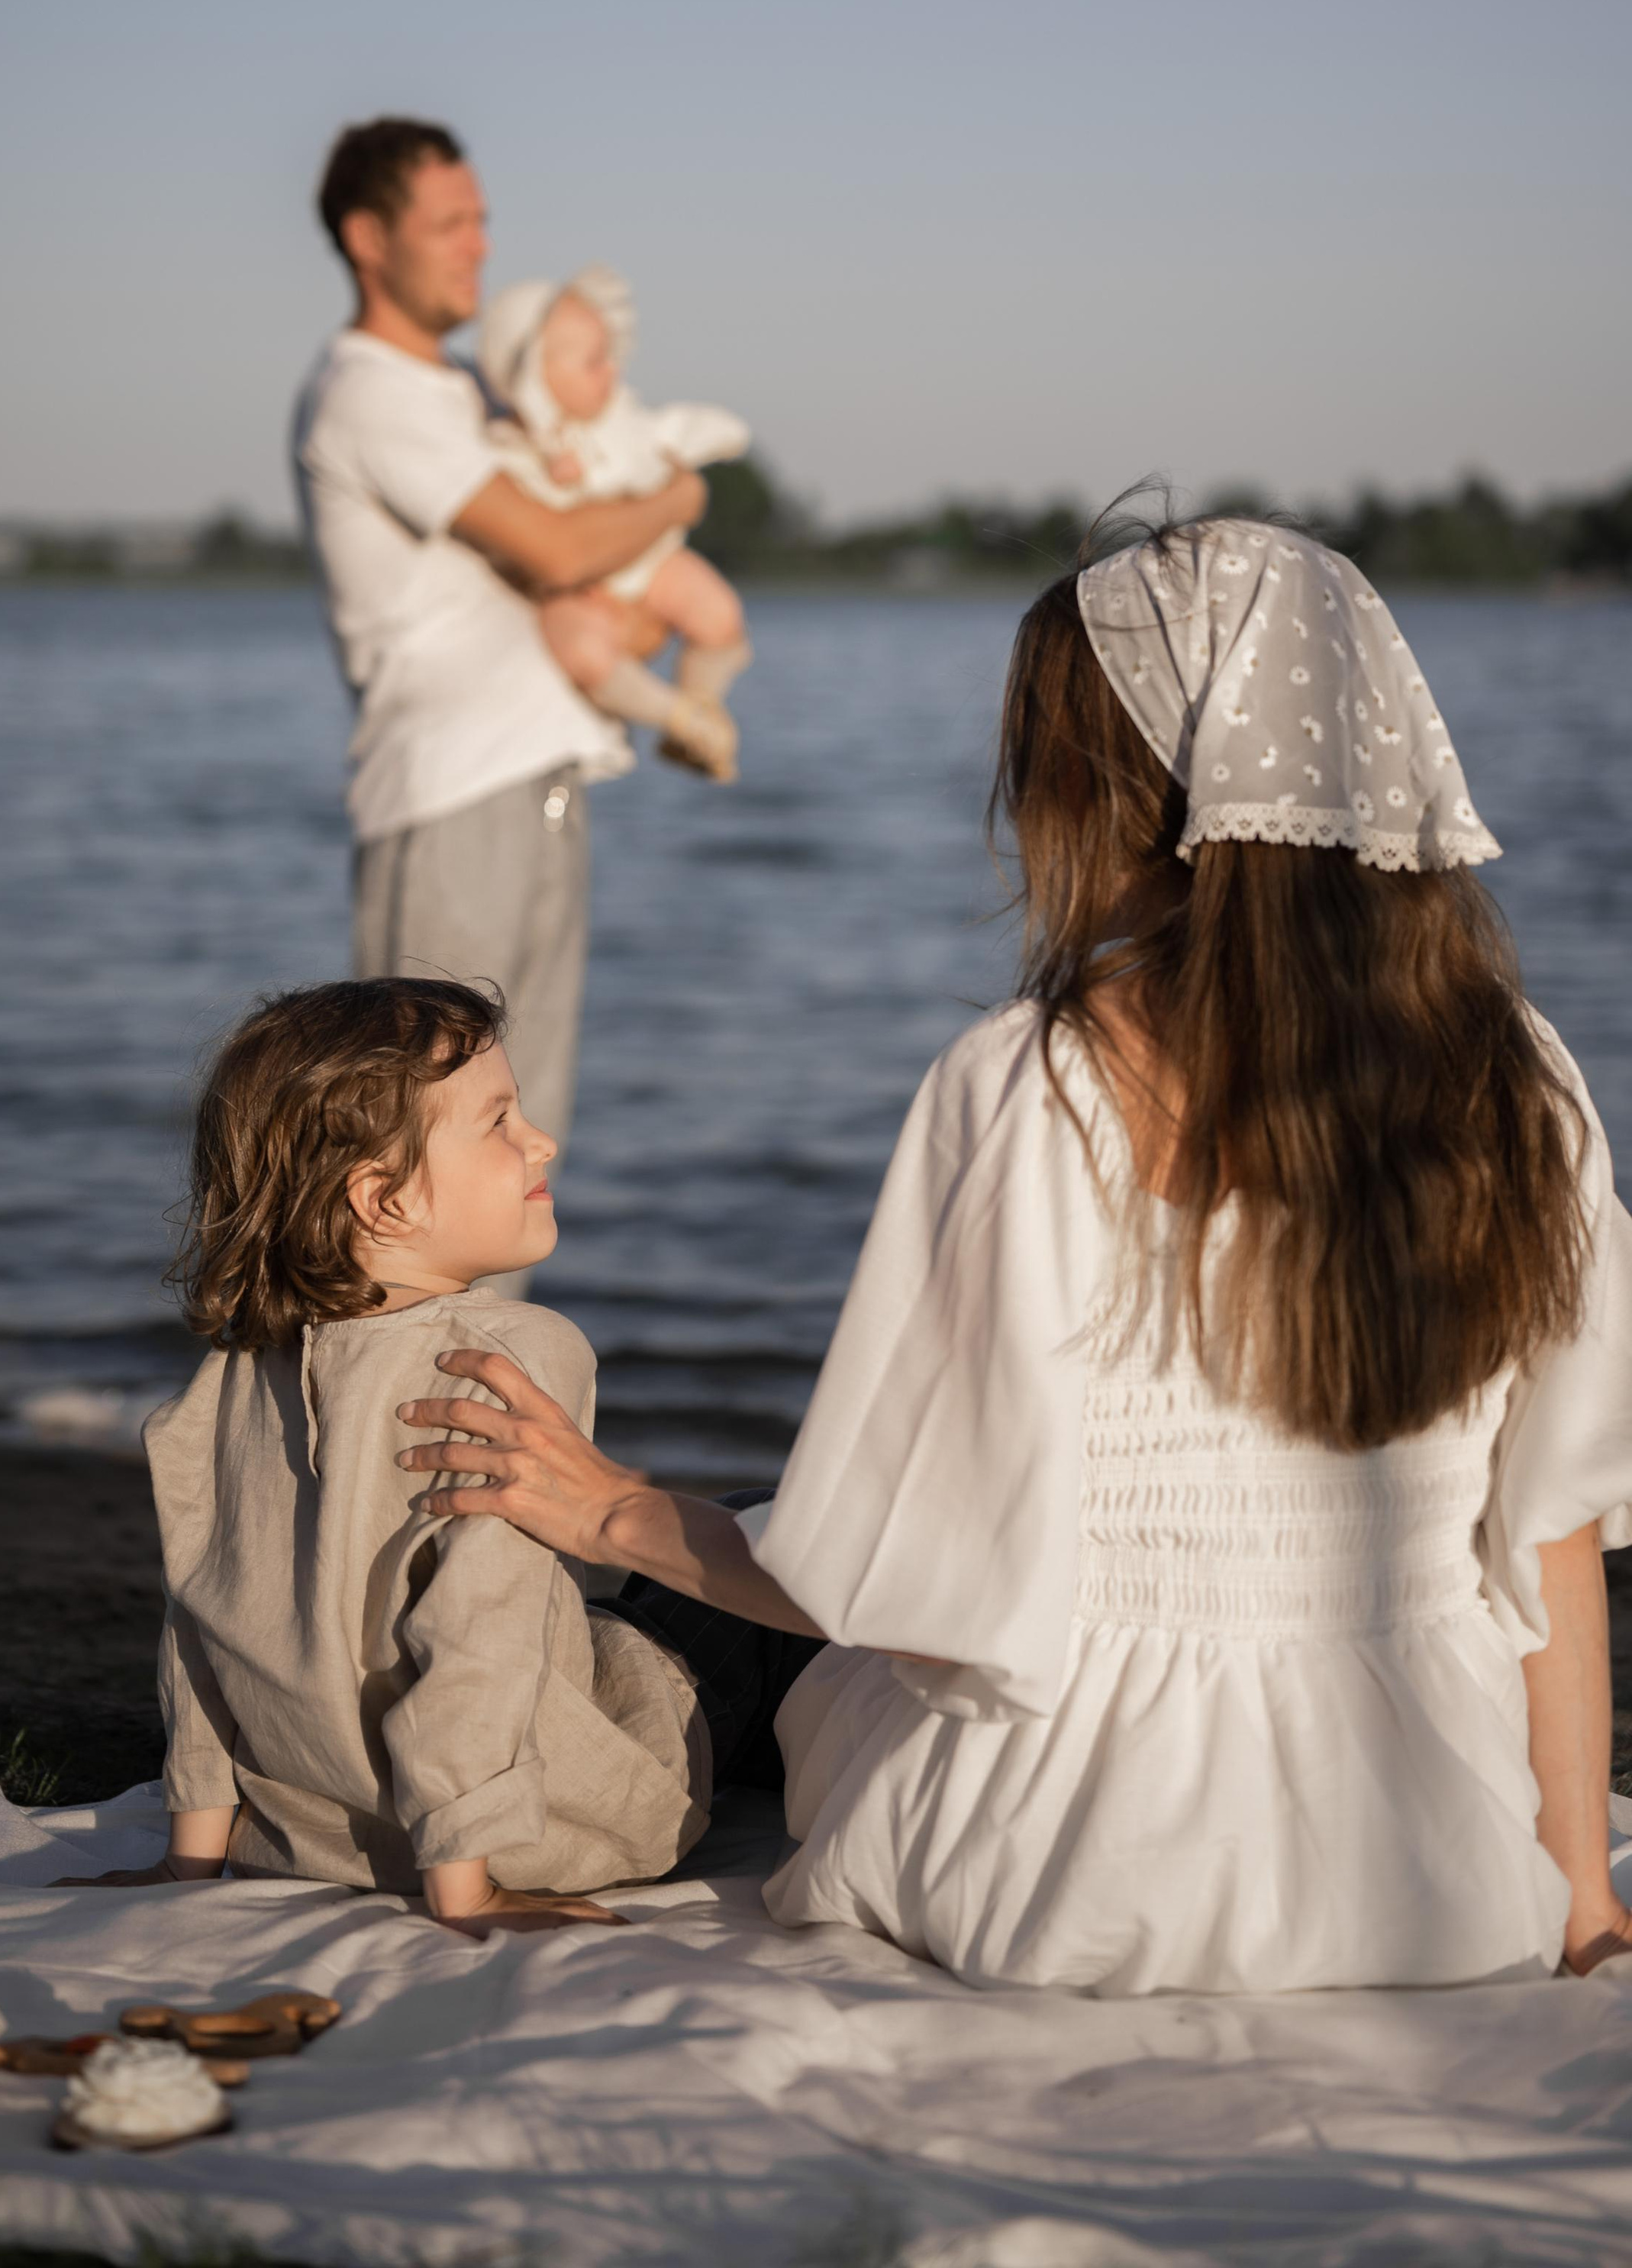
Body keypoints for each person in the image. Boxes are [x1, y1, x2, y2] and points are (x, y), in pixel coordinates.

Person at [396, 518, 1632, 1997]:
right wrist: (1570, 1894)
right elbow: (1546, 1529)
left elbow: (883, 1576)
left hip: (1062, 1867)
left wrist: (601, 1509)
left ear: (1103, 793)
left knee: (716, 1581)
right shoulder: (1526, 1083)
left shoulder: (1029, 1087)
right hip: (1431, 1871)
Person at [89, 977, 711, 1925]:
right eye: (498, 1121)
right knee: (750, 1573)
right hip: (529, 1828)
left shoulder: (235, 1371)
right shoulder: (511, 1358)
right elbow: (477, 1634)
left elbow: (201, 1624)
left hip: (314, 1835)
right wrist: (469, 1889)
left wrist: (191, 1861)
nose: (539, 1141)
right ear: (381, 1200)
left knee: (645, 1595)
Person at [292, 119, 708, 1166]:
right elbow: (564, 548)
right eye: (450, 223)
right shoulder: (368, 392)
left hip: (539, 787)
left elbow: (597, 586)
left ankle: (494, 1341)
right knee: (423, 1154)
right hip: (449, 807)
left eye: (482, 219)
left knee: (521, 1146)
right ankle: (389, 1341)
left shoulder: (476, 394)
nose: (480, 245)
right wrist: (683, 493)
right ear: (368, 238)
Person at [476, 266, 753, 782]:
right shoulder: (506, 451)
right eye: (592, 362)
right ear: (536, 374)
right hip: (528, 758)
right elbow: (538, 543)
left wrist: (712, 446)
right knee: (578, 651)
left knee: (718, 613)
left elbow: (676, 436)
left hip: (570, 762)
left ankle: (699, 712)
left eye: (609, 357)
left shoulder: (625, 423)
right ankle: (681, 718)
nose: (612, 373)